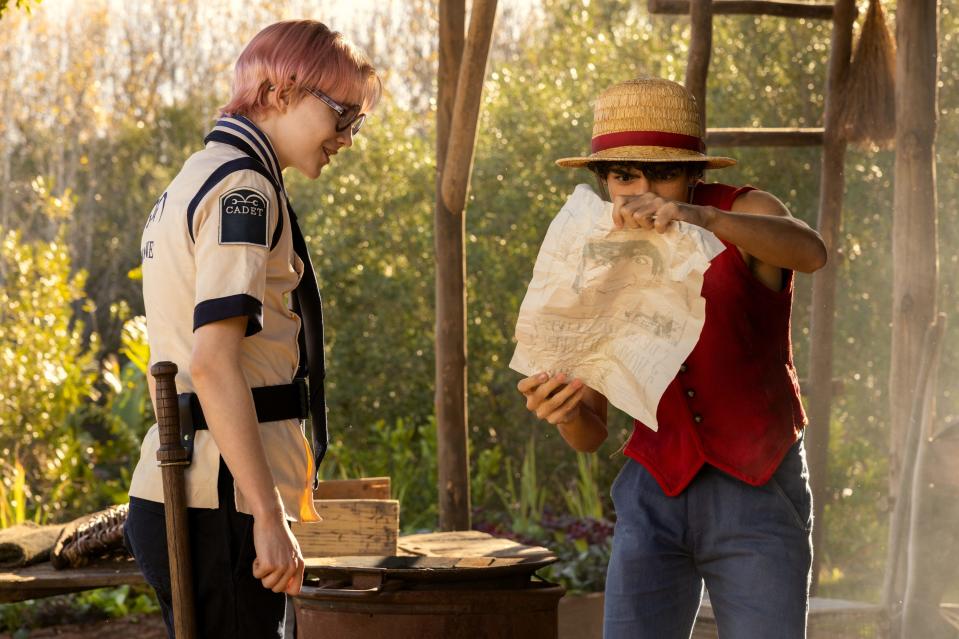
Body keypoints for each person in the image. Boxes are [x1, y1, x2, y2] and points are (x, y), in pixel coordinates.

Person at [517, 77, 827, 639]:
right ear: (604, 178)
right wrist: (563, 412)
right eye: (623, 174)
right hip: (652, 490)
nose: (642, 189)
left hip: (757, 484)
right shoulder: (591, 250)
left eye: (663, 172)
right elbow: (591, 433)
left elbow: (811, 251)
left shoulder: (744, 210)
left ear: (694, 172)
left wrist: (699, 218)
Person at [123, 20, 381, 638]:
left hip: (192, 490)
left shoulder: (196, 175)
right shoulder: (244, 188)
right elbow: (213, 363)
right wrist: (268, 516)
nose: (346, 137)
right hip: (222, 502)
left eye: (356, 123)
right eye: (341, 114)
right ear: (279, 92)